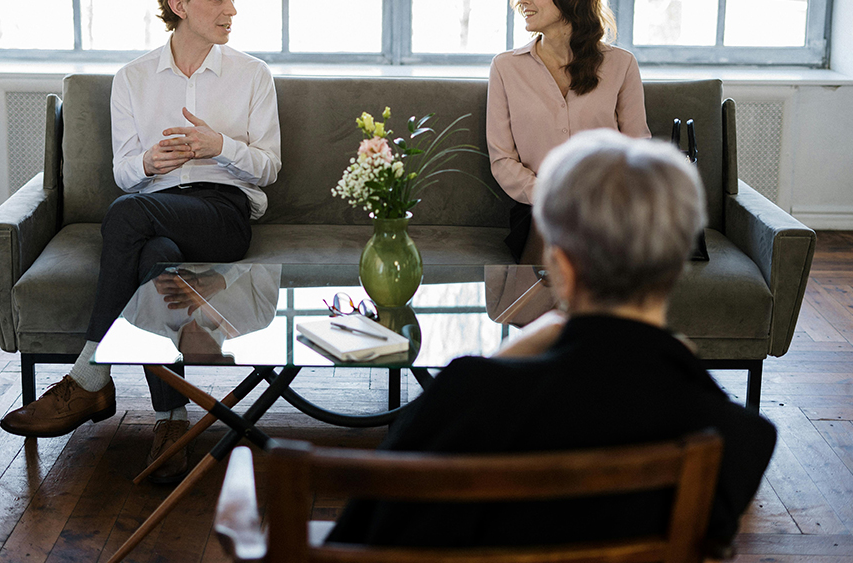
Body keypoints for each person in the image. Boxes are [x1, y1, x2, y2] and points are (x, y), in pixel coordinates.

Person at [328, 130, 776, 557]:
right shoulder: (737, 439)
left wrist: (494, 361)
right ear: (678, 266)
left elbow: (362, 530)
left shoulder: (467, 399)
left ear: (560, 267)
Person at [0, 0, 282, 484]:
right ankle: (172, 421)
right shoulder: (133, 78)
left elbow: (267, 169)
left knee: (128, 215)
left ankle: (89, 376)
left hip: (224, 214)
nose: (230, 10)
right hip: (156, 212)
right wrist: (150, 162)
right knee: (155, 256)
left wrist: (218, 145)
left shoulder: (252, 75)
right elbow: (127, 171)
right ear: (179, 4)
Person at [487, 0, 650, 264]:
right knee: (555, 230)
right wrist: (552, 195)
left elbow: (637, 149)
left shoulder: (621, 64)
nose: (522, 0)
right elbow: (502, 159)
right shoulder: (506, 67)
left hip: (605, 206)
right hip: (538, 205)